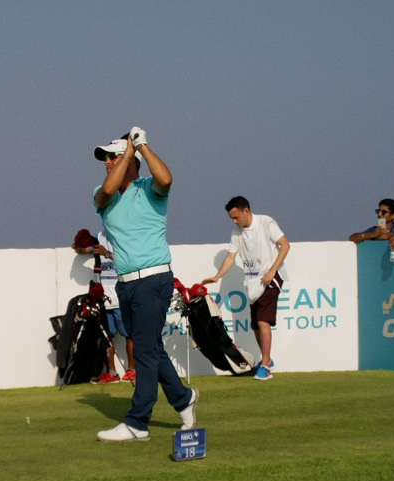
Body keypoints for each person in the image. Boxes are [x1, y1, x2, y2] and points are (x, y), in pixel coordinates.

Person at [93, 127, 198, 442]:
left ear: (132, 160)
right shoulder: (102, 193)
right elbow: (107, 191)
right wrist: (126, 154)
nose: (108, 162)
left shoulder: (149, 188)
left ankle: (138, 422)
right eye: (107, 158)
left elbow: (166, 179)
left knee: (144, 349)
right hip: (125, 285)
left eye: (112, 156)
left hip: (154, 278)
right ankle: (183, 398)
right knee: (151, 346)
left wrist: (142, 146)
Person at [202, 196, 290, 380]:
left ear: (246, 211)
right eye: (231, 219)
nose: (234, 221)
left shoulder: (265, 222)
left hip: (271, 279)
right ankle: (268, 359)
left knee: (263, 322)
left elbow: (285, 245)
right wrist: (217, 277)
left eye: (236, 217)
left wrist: (272, 270)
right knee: (255, 325)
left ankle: (265, 366)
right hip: (252, 282)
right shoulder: (236, 233)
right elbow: (230, 258)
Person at [73, 231, 136, 383]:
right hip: (103, 299)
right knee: (106, 338)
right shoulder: (99, 236)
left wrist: (106, 253)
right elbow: (84, 250)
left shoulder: (124, 236)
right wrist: (80, 248)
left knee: (130, 335)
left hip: (121, 297)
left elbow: (130, 260)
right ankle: (112, 372)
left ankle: (132, 370)